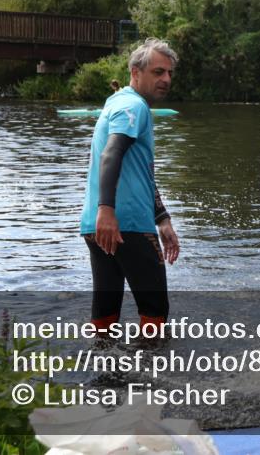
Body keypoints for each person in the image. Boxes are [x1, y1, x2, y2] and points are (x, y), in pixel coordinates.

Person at [80, 38, 180, 334]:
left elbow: (139, 172)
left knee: (105, 315)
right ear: (136, 72)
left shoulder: (117, 101)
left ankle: (104, 376)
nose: (166, 79)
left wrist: (162, 218)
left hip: (97, 226)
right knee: (155, 314)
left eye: (169, 73)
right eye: (158, 72)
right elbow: (112, 153)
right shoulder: (134, 107)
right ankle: (151, 379)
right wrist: (107, 210)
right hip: (127, 225)